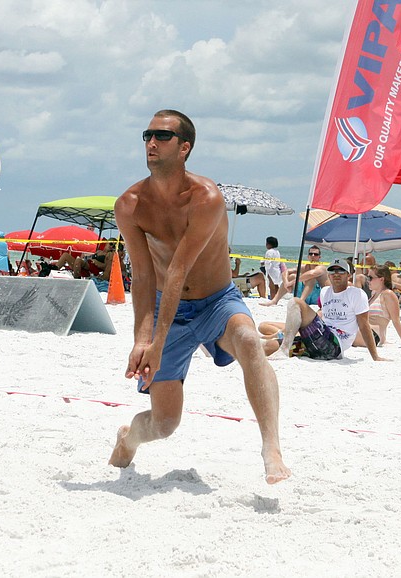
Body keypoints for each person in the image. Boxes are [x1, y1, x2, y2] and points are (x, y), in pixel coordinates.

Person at [107, 109, 289, 484]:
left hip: (216, 300)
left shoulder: (206, 198)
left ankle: (271, 446)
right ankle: (129, 438)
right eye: (147, 135)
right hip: (163, 305)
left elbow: (178, 269)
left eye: (162, 136)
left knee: (250, 341)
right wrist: (144, 339)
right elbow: (142, 276)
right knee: (164, 423)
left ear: (185, 147)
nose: (151, 142)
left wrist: (155, 342)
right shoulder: (130, 204)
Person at [259, 258, 384, 361]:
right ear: (328, 275)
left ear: (349, 275)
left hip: (334, 345)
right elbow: (320, 318)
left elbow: (364, 325)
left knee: (296, 302)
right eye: (332, 271)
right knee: (268, 346)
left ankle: (285, 350)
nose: (336, 274)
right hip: (315, 346)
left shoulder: (356, 294)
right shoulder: (325, 292)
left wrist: (375, 356)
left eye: (341, 271)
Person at [353, 264, 401, 348]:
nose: (368, 281)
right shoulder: (374, 294)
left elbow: (396, 321)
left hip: (372, 335)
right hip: (363, 331)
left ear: (381, 279)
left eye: (370, 278)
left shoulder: (388, 294)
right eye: (367, 277)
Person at [261, 245, 327, 306]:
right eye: (311, 254)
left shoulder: (321, 268)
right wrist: (287, 283)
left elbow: (311, 274)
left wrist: (293, 282)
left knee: (311, 279)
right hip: (305, 294)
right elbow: (286, 272)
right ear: (308, 256)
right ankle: (274, 300)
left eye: (316, 254)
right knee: (291, 276)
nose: (313, 256)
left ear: (319, 257)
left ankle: (301, 301)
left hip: (318, 296)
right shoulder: (304, 266)